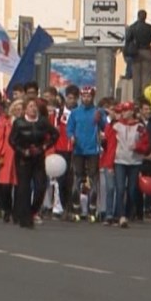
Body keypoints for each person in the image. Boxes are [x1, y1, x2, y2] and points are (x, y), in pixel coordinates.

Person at [8, 99, 58, 229]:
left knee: (41, 186)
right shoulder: (19, 123)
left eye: (35, 106)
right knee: (24, 189)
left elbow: (55, 134)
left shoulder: (43, 122)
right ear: (25, 109)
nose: (33, 109)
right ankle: (25, 219)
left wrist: (44, 147)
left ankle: (32, 210)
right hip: (23, 159)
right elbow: (12, 140)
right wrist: (22, 150)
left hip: (38, 158)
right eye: (30, 106)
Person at [66, 85, 106, 222]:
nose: (86, 98)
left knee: (93, 180)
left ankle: (92, 209)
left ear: (93, 97)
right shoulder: (75, 112)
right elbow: (69, 129)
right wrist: (71, 136)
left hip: (93, 149)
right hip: (78, 149)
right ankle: (76, 208)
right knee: (77, 178)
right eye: (84, 96)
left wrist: (100, 120)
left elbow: (105, 127)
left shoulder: (98, 111)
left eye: (88, 96)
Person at [109, 102, 144, 228]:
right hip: (120, 160)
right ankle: (121, 215)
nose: (123, 113)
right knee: (120, 188)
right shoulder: (117, 126)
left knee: (132, 190)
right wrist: (110, 163)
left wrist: (138, 147)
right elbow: (111, 144)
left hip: (135, 161)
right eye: (122, 111)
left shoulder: (139, 126)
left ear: (131, 111)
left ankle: (128, 213)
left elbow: (146, 142)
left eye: (126, 110)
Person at [123, 11, 151, 96]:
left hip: (136, 53)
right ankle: (145, 97)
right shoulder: (149, 27)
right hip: (147, 51)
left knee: (136, 77)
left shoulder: (133, 27)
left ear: (138, 16)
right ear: (145, 17)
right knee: (146, 77)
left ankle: (136, 98)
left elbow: (127, 40)